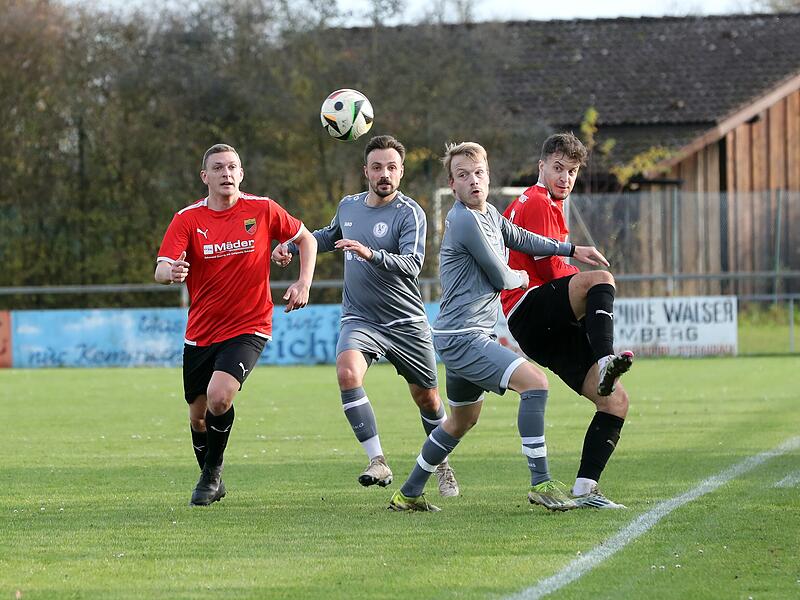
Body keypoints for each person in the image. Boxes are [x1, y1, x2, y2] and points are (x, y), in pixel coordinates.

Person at [389, 141, 608, 512]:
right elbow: (501, 275)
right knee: (536, 384)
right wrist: (523, 278)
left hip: (462, 336)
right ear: (452, 184)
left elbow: (521, 238)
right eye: (463, 176)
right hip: (463, 337)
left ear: (488, 177)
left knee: (460, 421)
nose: (473, 181)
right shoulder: (462, 219)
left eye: (479, 173)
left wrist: (571, 250)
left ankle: (407, 493)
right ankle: (542, 484)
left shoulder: (489, 213)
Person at [272, 135, 460, 497]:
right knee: (346, 372)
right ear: (366, 172)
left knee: (428, 399)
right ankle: (378, 460)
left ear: (401, 171)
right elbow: (327, 237)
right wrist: (292, 246)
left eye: (391, 167)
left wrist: (369, 253)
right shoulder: (349, 206)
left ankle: (443, 465)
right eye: (377, 168)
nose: (384, 174)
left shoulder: (411, 214)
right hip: (360, 318)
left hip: (406, 322)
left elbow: (413, 265)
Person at [155, 143, 317, 506]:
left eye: (232, 167)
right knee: (198, 417)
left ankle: (212, 474)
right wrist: (172, 272)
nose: (226, 173)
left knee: (219, 395)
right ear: (205, 176)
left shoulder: (262, 209)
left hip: (250, 324)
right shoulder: (187, 219)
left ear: (241, 174)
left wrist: (303, 282)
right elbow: (161, 267)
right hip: (201, 332)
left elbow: (305, 239)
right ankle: (210, 473)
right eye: (218, 168)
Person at [501, 132, 632, 509]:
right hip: (527, 307)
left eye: (571, 171)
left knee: (614, 402)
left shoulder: (549, 204)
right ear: (541, 166)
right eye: (557, 168)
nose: (565, 178)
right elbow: (549, 268)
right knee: (601, 280)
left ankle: (586, 489)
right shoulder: (539, 201)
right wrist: (585, 290)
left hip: (544, 328)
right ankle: (607, 359)